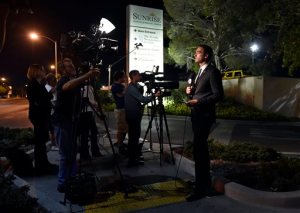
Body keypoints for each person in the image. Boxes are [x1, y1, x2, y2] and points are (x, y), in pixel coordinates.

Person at [52, 58, 99, 192]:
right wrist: (87, 75)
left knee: (72, 153)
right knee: (65, 154)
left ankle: (71, 178)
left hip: (71, 122)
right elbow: (67, 86)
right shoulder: (63, 80)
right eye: (68, 66)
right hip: (62, 122)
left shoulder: (75, 81)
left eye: (72, 64)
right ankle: (62, 182)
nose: (72, 66)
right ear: (63, 70)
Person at [185, 44, 224, 201]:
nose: (195, 55)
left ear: (206, 55)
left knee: (200, 150)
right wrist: (190, 93)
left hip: (205, 116)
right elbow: (199, 93)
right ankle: (202, 183)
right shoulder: (198, 72)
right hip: (196, 115)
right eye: (195, 52)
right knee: (199, 150)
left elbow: (218, 95)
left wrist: (198, 102)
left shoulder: (213, 72)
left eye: (198, 52)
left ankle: (202, 188)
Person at [124, 70, 160, 167]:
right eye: (139, 75)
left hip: (134, 115)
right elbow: (142, 99)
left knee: (134, 137)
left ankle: (133, 157)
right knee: (133, 138)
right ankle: (132, 160)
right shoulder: (131, 88)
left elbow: (140, 91)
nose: (140, 76)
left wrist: (144, 84)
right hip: (133, 116)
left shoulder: (134, 86)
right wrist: (154, 96)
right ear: (134, 76)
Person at [26, 64, 57, 175]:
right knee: (39, 141)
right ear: (37, 71)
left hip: (42, 116)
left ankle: (44, 163)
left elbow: (45, 97)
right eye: (42, 70)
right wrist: (48, 95)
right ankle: (41, 166)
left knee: (42, 141)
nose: (44, 72)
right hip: (38, 116)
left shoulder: (40, 84)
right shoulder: (33, 85)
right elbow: (38, 100)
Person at [78, 82, 102, 160]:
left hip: (89, 111)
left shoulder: (89, 86)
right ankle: (87, 153)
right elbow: (86, 99)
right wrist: (95, 104)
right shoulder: (84, 87)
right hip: (85, 112)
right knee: (86, 133)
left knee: (91, 132)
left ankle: (91, 152)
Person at [111, 70, 128, 155]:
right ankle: (120, 145)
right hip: (120, 109)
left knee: (124, 128)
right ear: (120, 77)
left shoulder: (120, 85)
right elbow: (121, 95)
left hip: (123, 109)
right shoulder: (115, 86)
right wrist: (126, 87)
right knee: (121, 129)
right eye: (124, 76)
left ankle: (120, 143)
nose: (125, 78)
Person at [45, 73, 57, 147]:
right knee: (52, 130)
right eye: (52, 79)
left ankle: (56, 144)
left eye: (54, 79)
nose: (54, 80)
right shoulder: (47, 86)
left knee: (55, 129)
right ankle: (53, 145)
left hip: (55, 109)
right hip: (51, 110)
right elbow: (53, 91)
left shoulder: (52, 86)